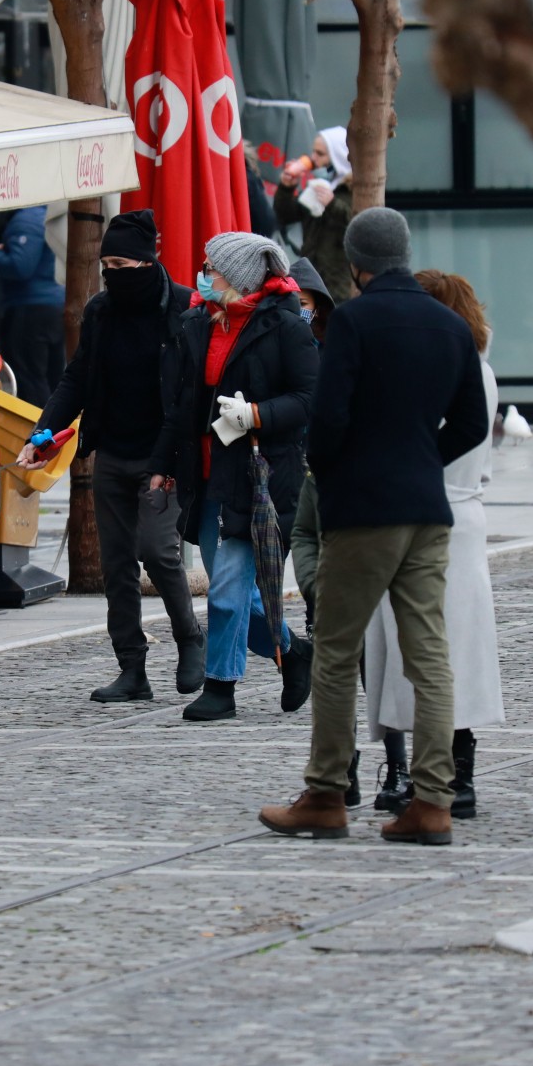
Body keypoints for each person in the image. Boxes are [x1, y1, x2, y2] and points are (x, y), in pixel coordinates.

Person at [259, 208, 488, 845]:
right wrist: (422, 460)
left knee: (336, 651)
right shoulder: (449, 325)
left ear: (357, 264)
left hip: (364, 510)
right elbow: (471, 423)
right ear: (405, 254)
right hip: (427, 511)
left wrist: (333, 473)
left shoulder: (355, 320)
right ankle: (433, 802)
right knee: (429, 655)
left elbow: (327, 420)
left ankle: (326, 794)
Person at [20, 211, 203, 702]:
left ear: (148, 262)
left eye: (122, 263)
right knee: (117, 565)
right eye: (106, 265)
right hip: (113, 453)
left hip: (164, 455)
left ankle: (190, 639)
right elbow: (76, 378)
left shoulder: (186, 309)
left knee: (159, 552)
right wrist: (43, 435)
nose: (113, 274)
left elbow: (193, 390)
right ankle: (131, 668)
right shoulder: (101, 311)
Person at [156, 231, 318, 723]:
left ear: (241, 276)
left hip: (258, 479)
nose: (204, 276)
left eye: (213, 269)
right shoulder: (197, 323)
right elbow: (182, 406)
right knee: (241, 594)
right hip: (206, 478)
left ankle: (220, 686)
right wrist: (163, 464)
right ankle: (291, 652)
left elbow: (309, 399)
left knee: (226, 589)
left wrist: (255, 414)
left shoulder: (287, 327)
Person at [362, 270, 505, 819]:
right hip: (456, 515)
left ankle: (437, 772)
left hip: (423, 510)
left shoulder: (443, 369)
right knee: (448, 647)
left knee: (421, 648)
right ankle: (445, 772)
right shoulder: (478, 368)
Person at [284, 257, 334, 637]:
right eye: (294, 302)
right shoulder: (280, 342)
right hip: (287, 461)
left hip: (321, 462)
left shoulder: (334, 348)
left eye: (305, 303)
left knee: (319, 542)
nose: (300, 311)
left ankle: (318, 614)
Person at [0, 204, 66, 405]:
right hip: (55, 305)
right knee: (55, 380)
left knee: (30, 380)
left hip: (29, 309)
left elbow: (20, 266)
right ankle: (60, 430)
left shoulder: (26, 220)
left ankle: (41, 432)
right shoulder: (49, 215)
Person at [274, 126, 355, 302]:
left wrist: (332, 204)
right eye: (314, 152)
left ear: (337, 156)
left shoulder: (355, 191)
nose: (313, 159)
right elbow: (286, 215)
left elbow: (357, 226)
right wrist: (287, 187)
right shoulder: (318, 186)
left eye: (320, 154)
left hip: (338, 284)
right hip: (309, 278)